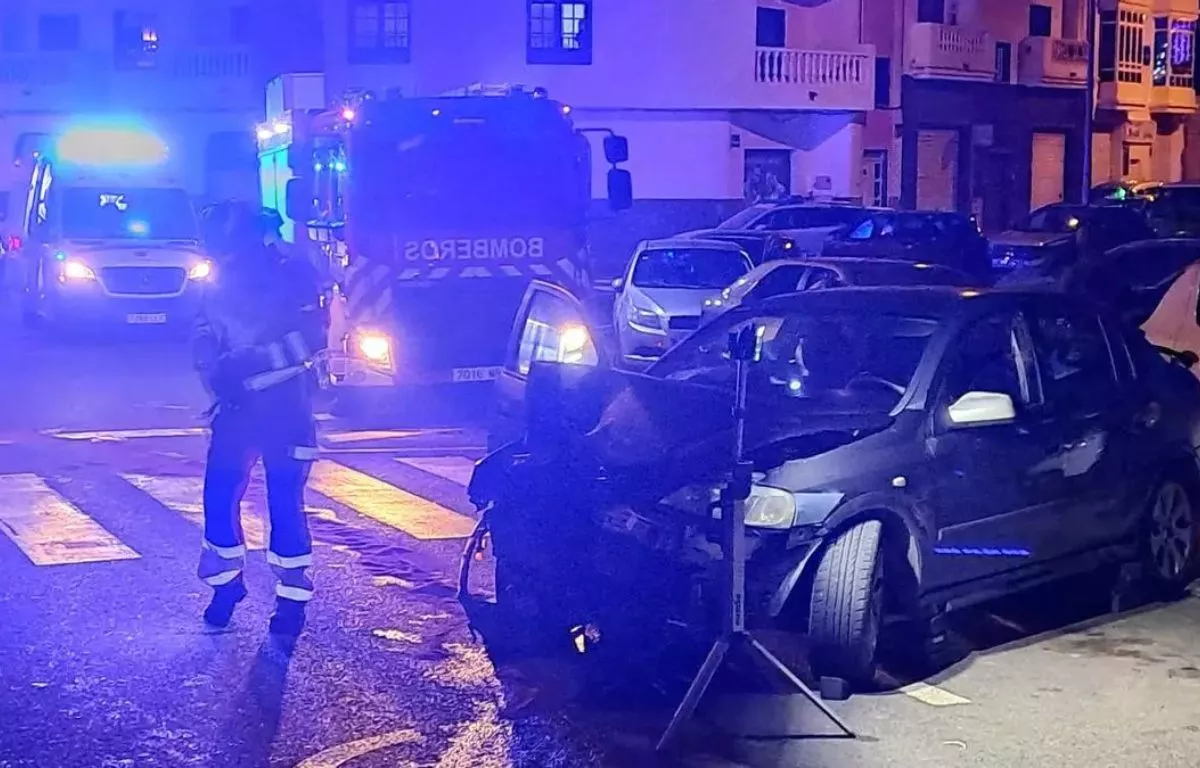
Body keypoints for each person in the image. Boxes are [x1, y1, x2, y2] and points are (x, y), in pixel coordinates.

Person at [192, 200, 328, 637]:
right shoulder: (218, 280)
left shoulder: (294, 276)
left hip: (285, 410)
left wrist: (244, 366)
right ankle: (226, 586)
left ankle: (290, 602)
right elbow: (202, 331)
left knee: (284, 503)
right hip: (236, 412)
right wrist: (214, 368)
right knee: (218, 496)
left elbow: (310, 339)